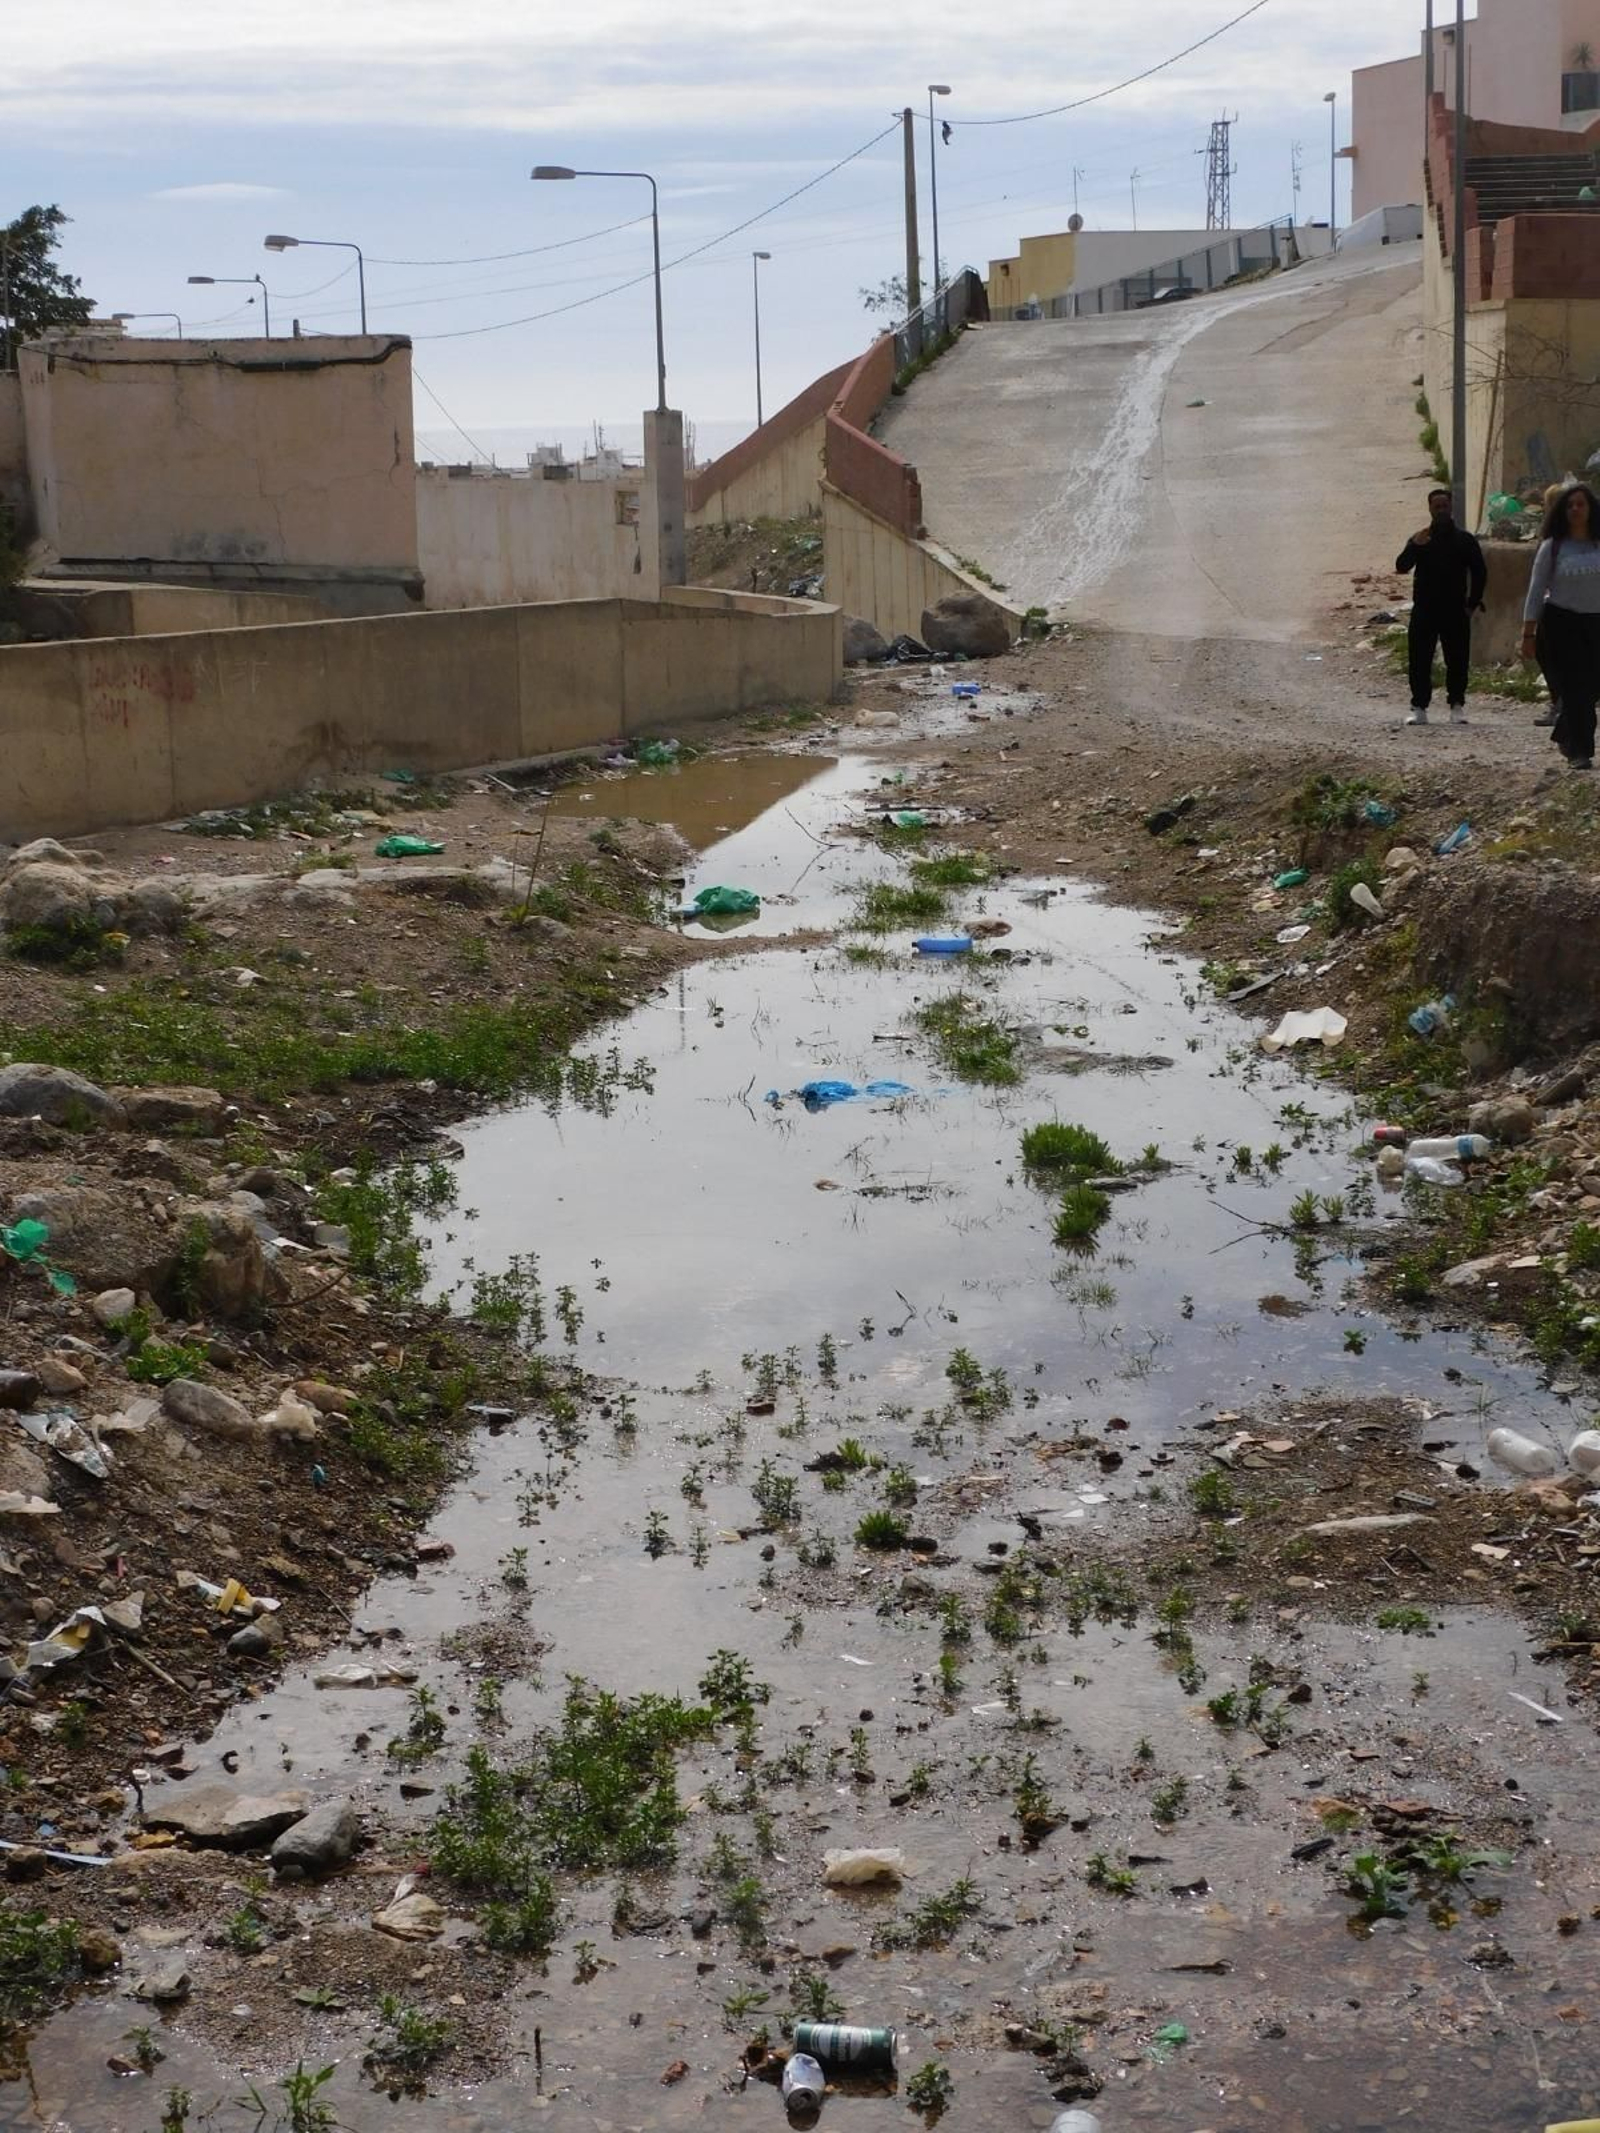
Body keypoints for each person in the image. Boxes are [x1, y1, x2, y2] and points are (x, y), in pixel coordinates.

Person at [1523, 483, 1600, 770]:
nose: (1575, 509)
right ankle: (1580, 751)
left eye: (1581, 504)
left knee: (1591, 687)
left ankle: (1565, 734)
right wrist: (1528, 634)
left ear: (1591, 509)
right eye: (1570, 505)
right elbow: (1535, 591)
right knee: (1576, 687)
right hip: (1562, 623)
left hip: (1596, 622)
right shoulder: (1552, 547)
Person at [1395, 488, 1488, 727]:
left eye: (1444, 506)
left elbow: (1479, 572)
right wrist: (1414, 547)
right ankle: (1419, 707)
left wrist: (1472, 603)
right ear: (1430, 509)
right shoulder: (1421, 538)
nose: (1441, 511)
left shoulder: (1464, 540)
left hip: (1455, 610)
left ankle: (1457, 705)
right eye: (1437, 507)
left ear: (1451, 507)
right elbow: (1402, 566)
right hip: (1425, 610)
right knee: (1419, 659)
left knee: (1457, 659)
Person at [1533, 481, 1569, 728]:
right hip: (1550, 605)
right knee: (1545, 653)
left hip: (1571, 607)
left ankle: (1565, 704)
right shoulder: (1549, 537)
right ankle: (1560, 702)